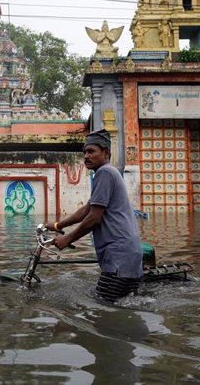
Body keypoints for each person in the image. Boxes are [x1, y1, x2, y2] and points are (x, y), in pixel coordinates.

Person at [47, 129, 143, 302]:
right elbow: (86, 210)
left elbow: (94, 218)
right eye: (84, 152)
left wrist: (67, 239)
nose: (86, 156)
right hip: (129, 255)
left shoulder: (104, 173)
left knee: (102, 308)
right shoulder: (109, 173)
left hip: (118, 257)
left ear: (106, 153)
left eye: (91, 151)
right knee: (121, 308)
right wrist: (58, 226)